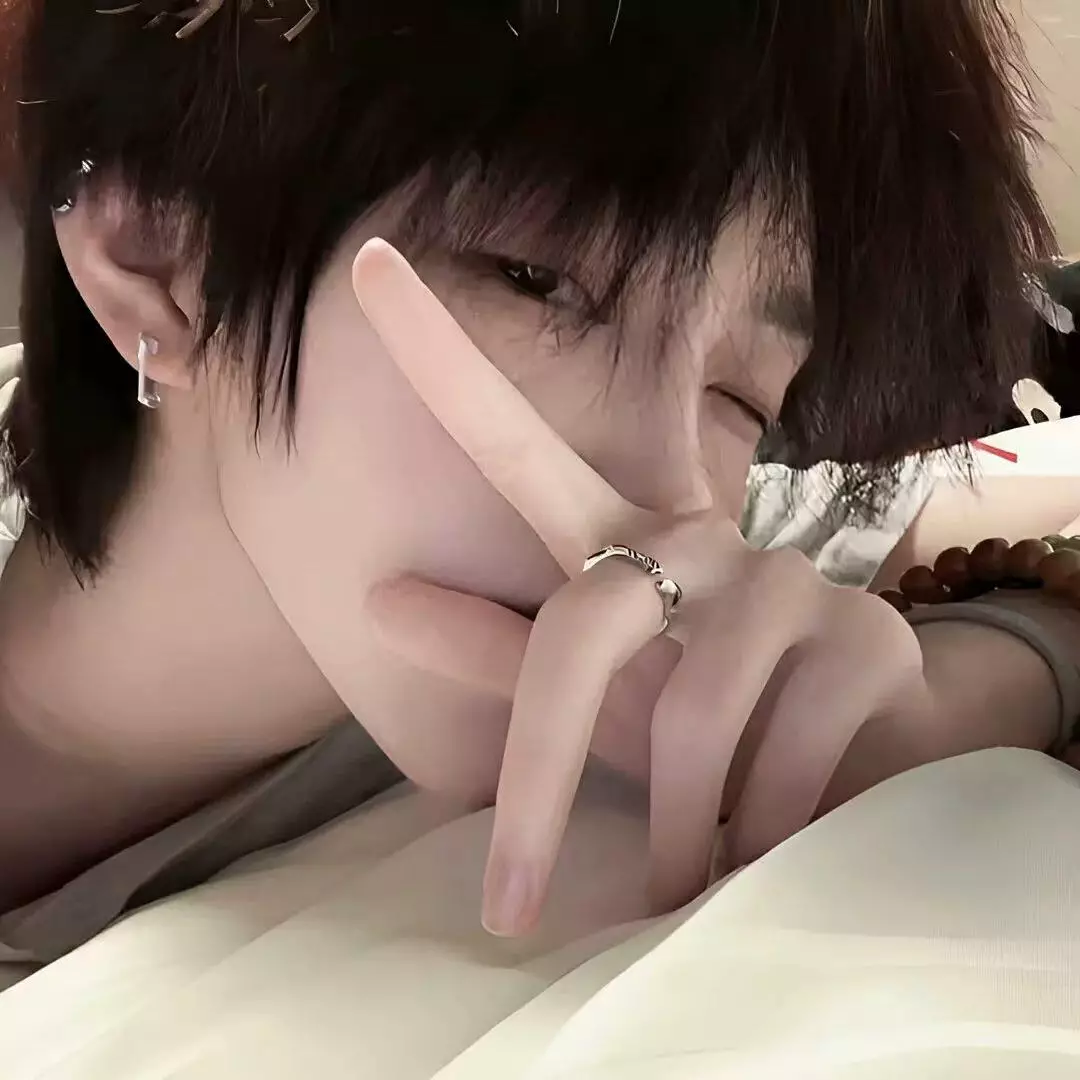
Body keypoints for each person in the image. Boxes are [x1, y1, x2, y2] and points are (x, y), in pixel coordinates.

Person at [0, 0, 1077, 971]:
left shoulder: (668, 570)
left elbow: (1023, 517)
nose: (673, 491)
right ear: (156, 249)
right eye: (536, 282)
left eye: (743, 394)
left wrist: (976, 691)